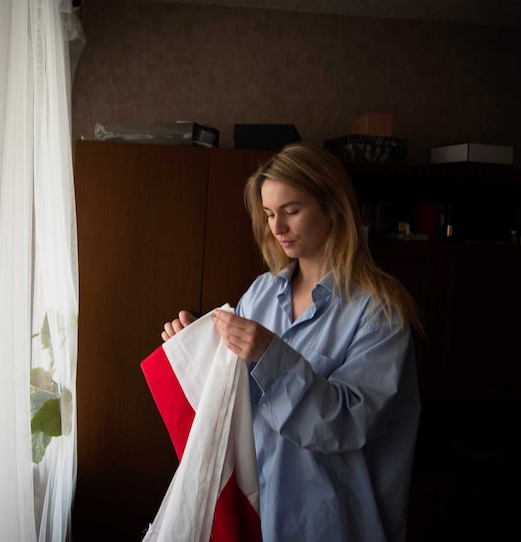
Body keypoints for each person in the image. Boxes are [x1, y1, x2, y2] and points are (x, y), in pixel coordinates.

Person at [161, 143, 423, 542]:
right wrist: (200, 352)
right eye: (269, 214)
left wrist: (270, 355)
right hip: (255, 516)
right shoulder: (260, 295)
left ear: (333, 206)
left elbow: (346, 423)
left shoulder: (379, 313)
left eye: (291, 211)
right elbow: (236, 406)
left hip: (334, 525)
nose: (276, 228)